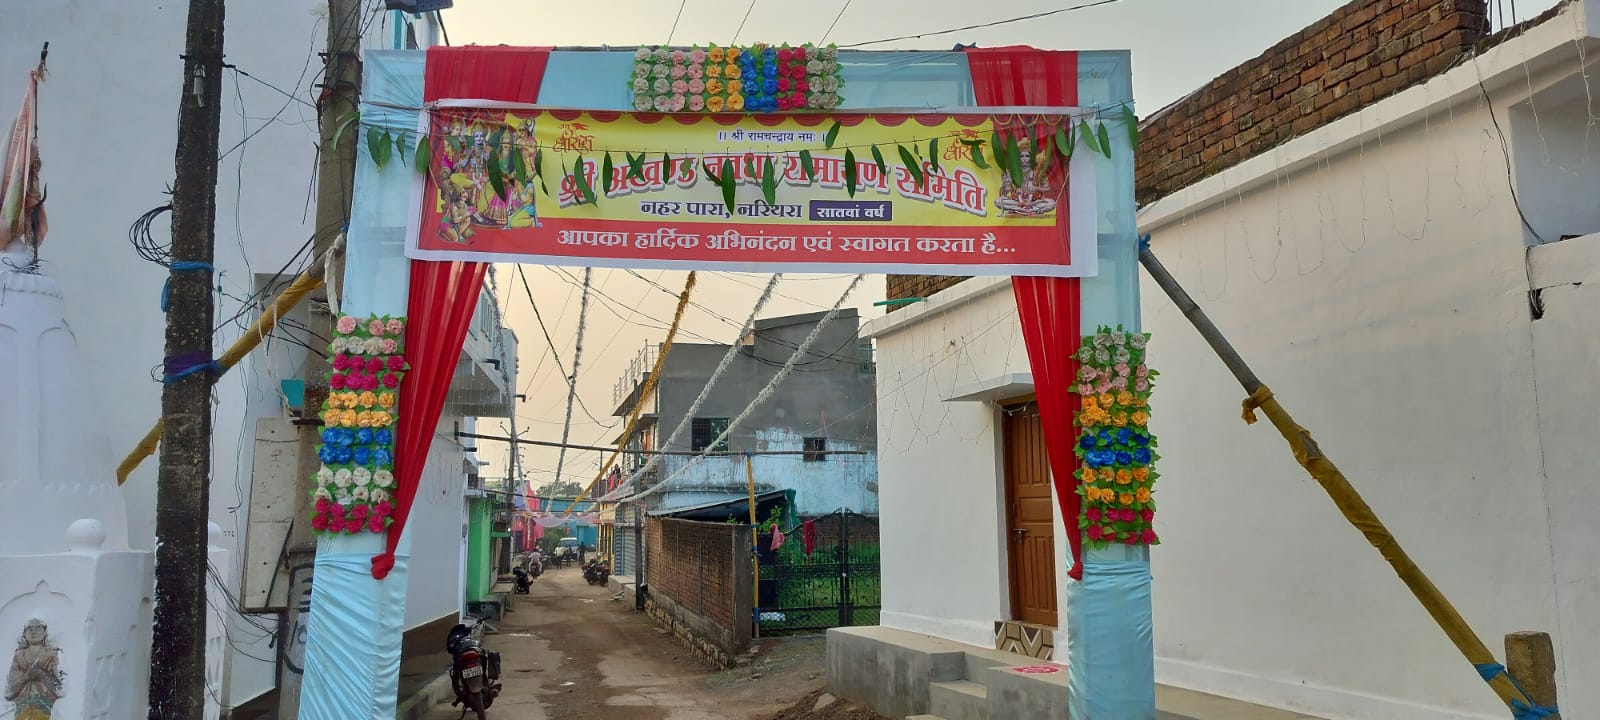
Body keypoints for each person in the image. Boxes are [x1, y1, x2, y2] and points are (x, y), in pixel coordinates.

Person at [6, 619, 62, 720]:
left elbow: (58, 686)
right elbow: (11, 685)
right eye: (30, 629)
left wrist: (41, 674)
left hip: (44, 702)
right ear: (25, 633)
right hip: (23, 703)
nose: (34, 632)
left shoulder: (51, 654)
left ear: (44, 632)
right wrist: (26, 676)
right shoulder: (19, 655)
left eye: (38, 628)